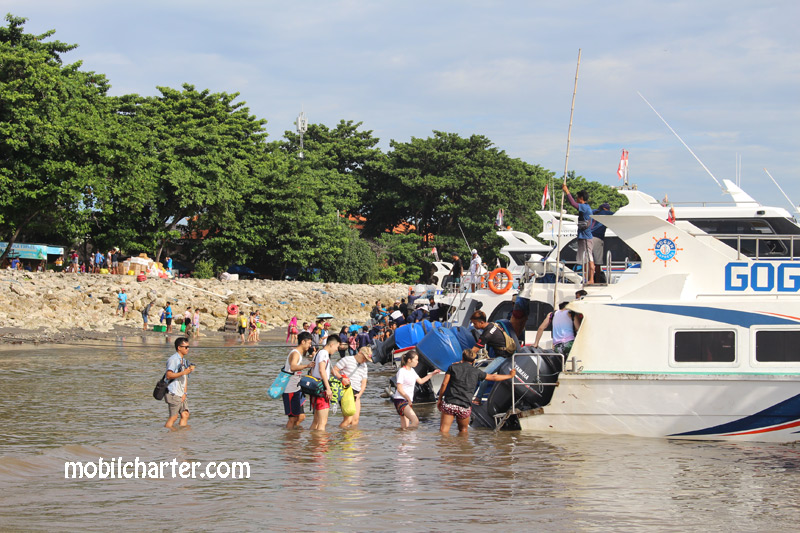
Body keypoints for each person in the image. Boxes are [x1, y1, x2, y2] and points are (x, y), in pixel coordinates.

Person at [437, 349, 516, 435]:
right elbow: (493, 377)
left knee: (443, 431)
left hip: (450, 403)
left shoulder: (453, 367)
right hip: (464, 406)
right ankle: (462, 447)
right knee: (463, 431)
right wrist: (509, 375)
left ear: (462, 357)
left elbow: (444, 384)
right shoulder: (476, 372)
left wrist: (440, 399)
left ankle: (444, 448)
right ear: (474, 361)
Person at [392, 349, 441, 429]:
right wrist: (408, 398)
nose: (417, 362)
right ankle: (398, 433)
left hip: (407, 400)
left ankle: (402, 439)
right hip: (400, 400)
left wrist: (432, 374)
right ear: (409, 360)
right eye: (416, 360)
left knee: (405, 427)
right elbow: (399, 388)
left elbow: (421, 381)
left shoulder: (412, 371)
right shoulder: (402, 371)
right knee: (415, 421)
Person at [333, 346, 373, 428]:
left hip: (357, 393)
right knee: (348, 419)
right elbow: (334, 370)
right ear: (359, 353)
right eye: (364, 358)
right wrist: (342, 378)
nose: (364, 361)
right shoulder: (347, 359)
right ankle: (339, 435)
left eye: (366, 360)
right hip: (346, 390)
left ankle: (351, 438)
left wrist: (359, 395)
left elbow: (364, 383)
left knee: (355, 420)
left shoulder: (364, 366)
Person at [562, 183, 594, 285]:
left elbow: (573, 204)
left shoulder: (585, 207)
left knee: (589, 258)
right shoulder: (586, 208)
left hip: (585, 238)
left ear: (581, 198)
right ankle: (585, 278)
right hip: (582, 237)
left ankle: (591, 279)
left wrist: (567, 191)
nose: (576, 199)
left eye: (577, 198)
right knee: (584, 259)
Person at [282, 331, 316, 429]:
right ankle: (289, 438)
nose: (309, 345)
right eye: (309, 343)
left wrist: (313, 353)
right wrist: (306, 366)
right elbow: (293, 367)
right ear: (303, 342)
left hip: (297, 389)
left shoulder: (299, 353)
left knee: (301, 417)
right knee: (292, 418)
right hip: (290, 389)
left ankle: (293, 435)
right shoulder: (295, 353)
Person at [310, 334, 340, 431]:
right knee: (323, 422)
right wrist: (328, 388)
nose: (337, 350)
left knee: (316, 421)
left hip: (315, 388)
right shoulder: (324, 353)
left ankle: (313, 442)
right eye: (337, 347)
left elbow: (312, 371)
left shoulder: (318, 353)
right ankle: (321, 445)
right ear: (331, 344)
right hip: (321, 389)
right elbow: (322, 370)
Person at [164, 337, 195, 429]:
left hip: (181, 393)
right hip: (173, 392)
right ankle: (168, 435)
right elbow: (168, 375)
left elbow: (184, 378)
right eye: (186, 347)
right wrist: (184, 372)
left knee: (185, 414)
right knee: (173, 417)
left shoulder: (184, 361)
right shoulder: (173, 360)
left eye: (188, 347)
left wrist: (185, 393)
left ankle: (181, 436)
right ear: (179, 347)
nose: (188, 349)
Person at [591, 202, 614, 283]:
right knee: (597, 262)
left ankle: (589, 279)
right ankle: (596, 281)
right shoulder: (605, 213)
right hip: (597, 238)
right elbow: (616, 215)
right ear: (606, 209)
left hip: (587, 237)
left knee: (589, 261)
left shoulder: (593, 211)